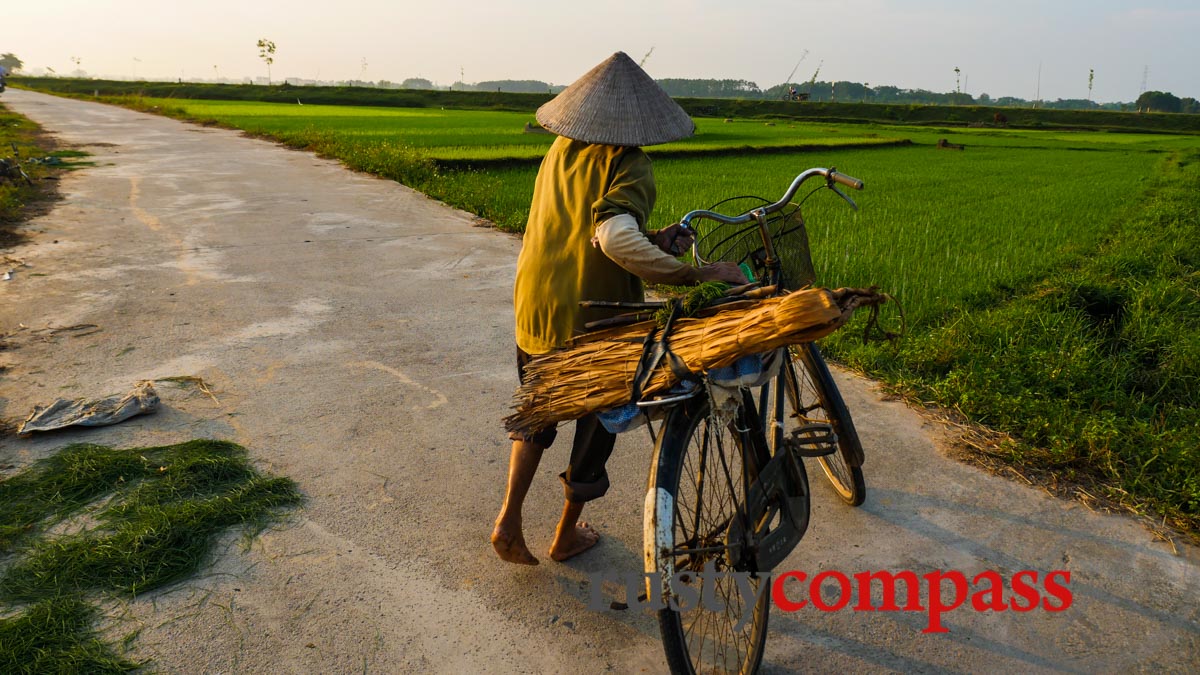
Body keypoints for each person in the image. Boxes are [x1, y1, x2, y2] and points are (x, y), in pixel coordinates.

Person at [491, 52, 745, 565]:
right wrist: (696, 273)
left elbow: (588, 227)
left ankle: (509, 518)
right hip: (593, 323)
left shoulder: (562, 150)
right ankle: (565, 535)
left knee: (538, 415)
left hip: (536, 309)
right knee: (595, 428)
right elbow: (612, 238)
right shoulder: (630, 164)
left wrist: (654, 237)